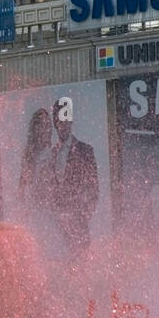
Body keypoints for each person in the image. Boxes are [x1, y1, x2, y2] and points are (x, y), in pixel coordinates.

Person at [48, 99, 99, 253]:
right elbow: (51, 184)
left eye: (65, 121)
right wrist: (54, 210)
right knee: (64, 256)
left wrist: (84, 212)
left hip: (78, 216)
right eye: (58, 122)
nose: (62, 126)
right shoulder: (53, 153)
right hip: (58, 219)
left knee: (81, 253)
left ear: (71, 121)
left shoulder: (85, 150)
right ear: (55, 123)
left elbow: (93, 186)